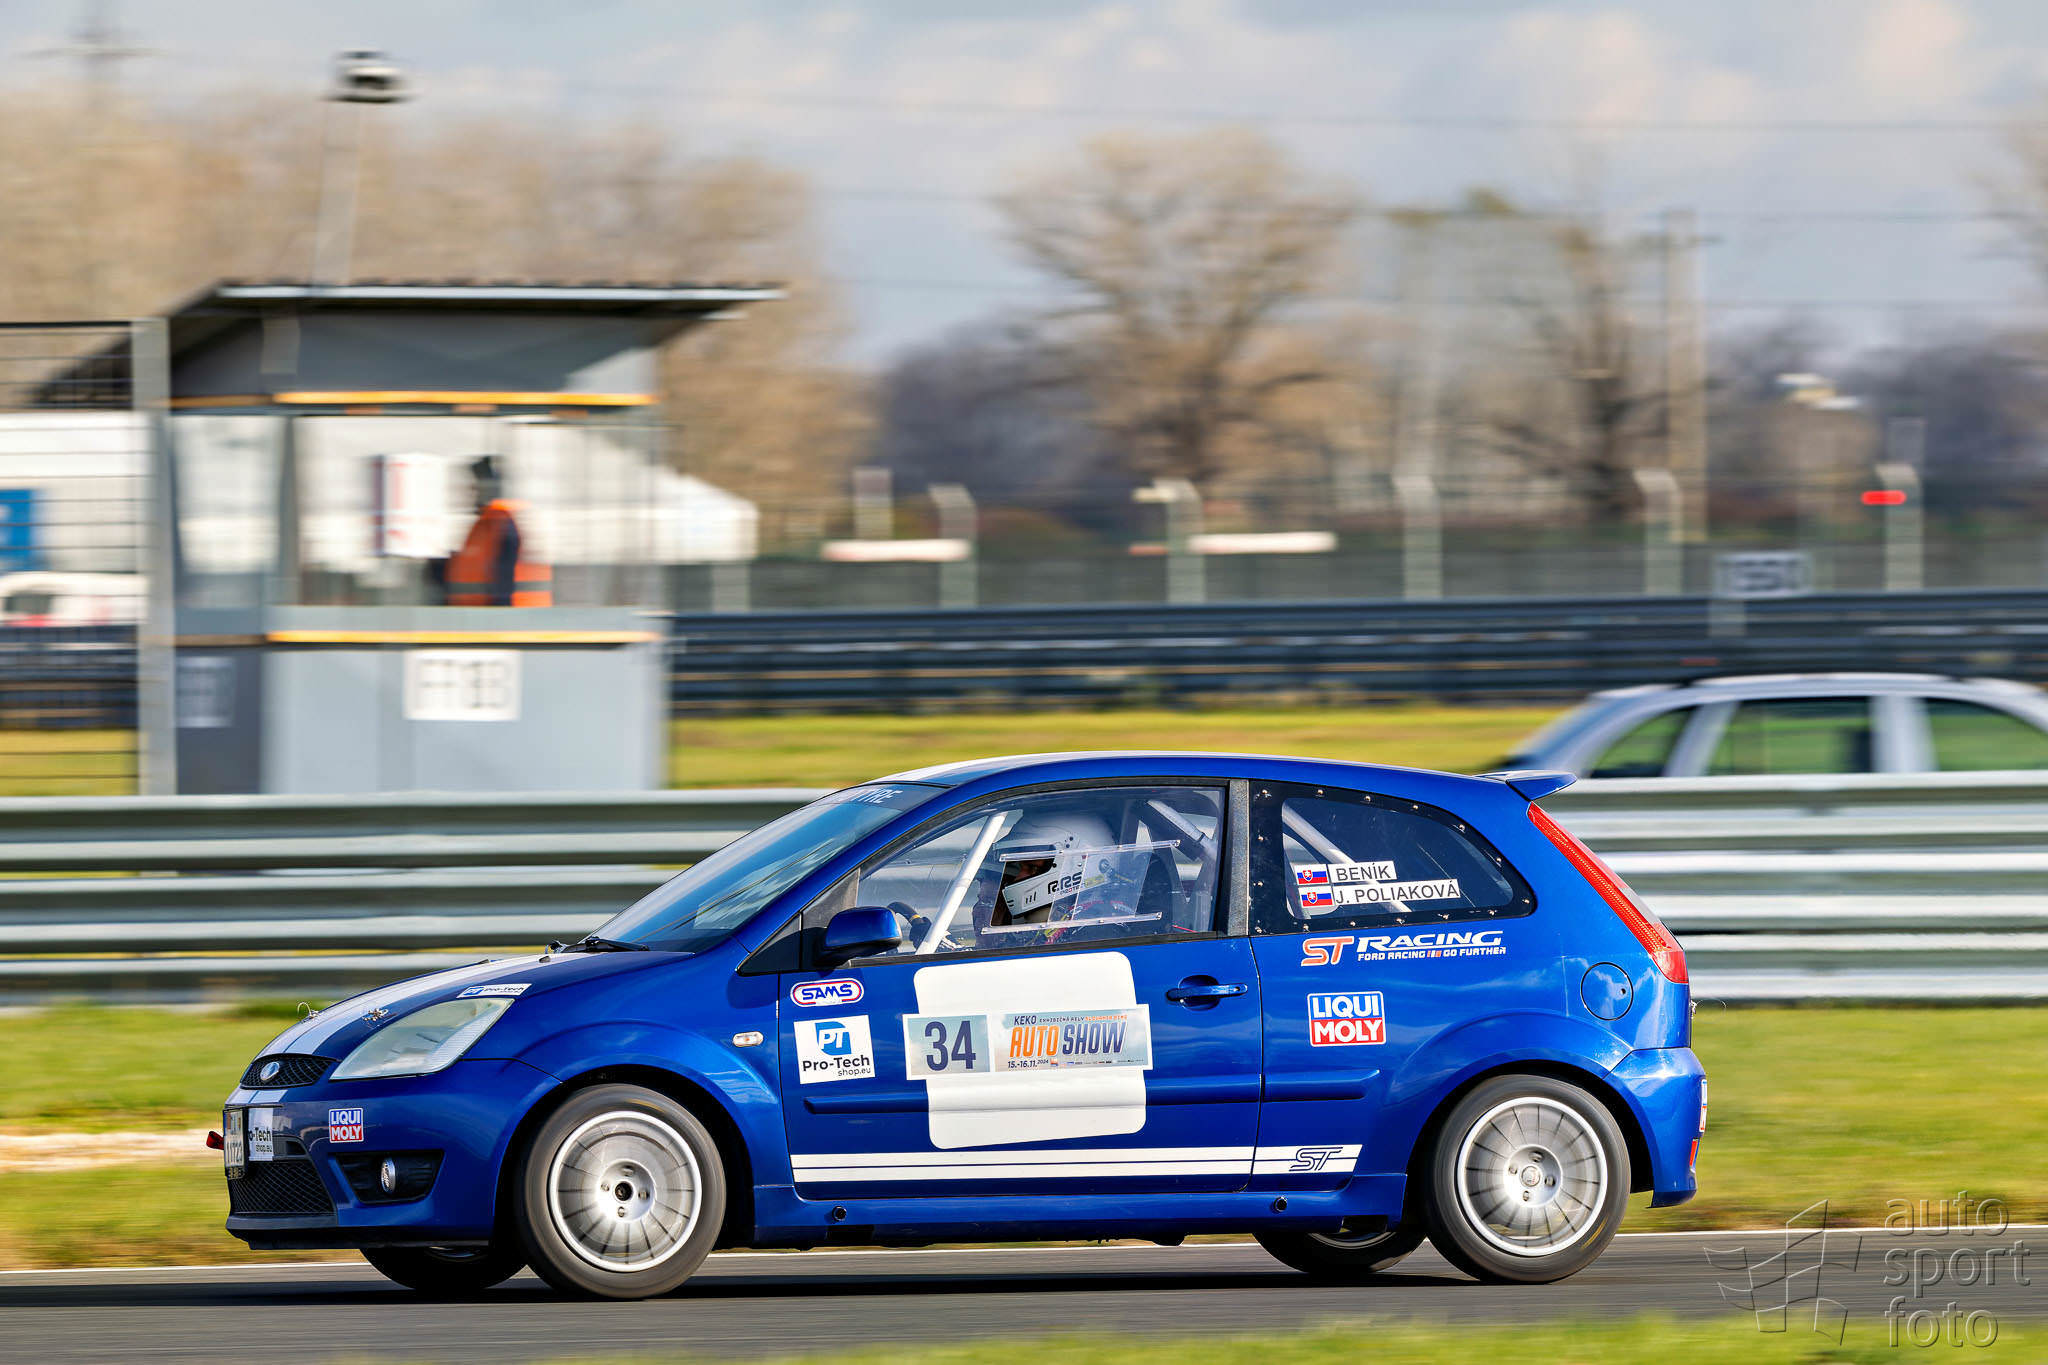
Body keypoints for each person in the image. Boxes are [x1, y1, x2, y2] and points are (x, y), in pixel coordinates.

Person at [440, 456, 552, 607]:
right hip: (479, 615)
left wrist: (499, 616)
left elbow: (504, 578)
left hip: (506, 617)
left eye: (474, 487)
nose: (469, 492)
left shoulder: (502, 521)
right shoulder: (486, 523)